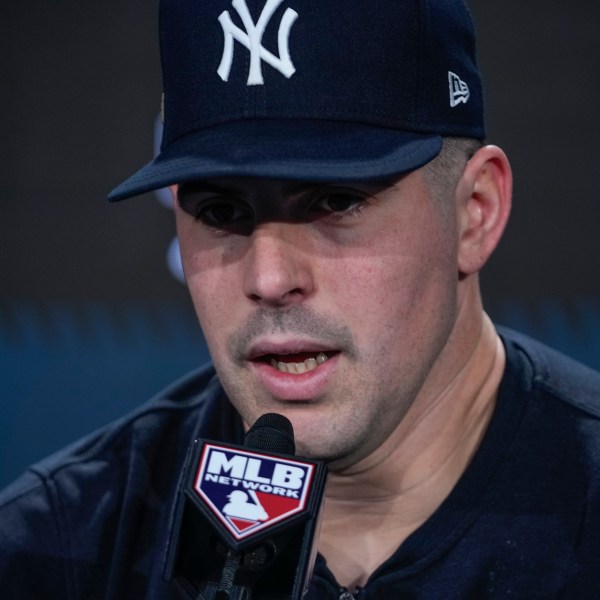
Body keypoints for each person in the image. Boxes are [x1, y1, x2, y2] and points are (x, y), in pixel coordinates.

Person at [1, 0, 599, 597]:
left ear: (474, 214)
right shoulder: (53, 549)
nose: (268, 277)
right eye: (222, 212)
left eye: (336, 202)